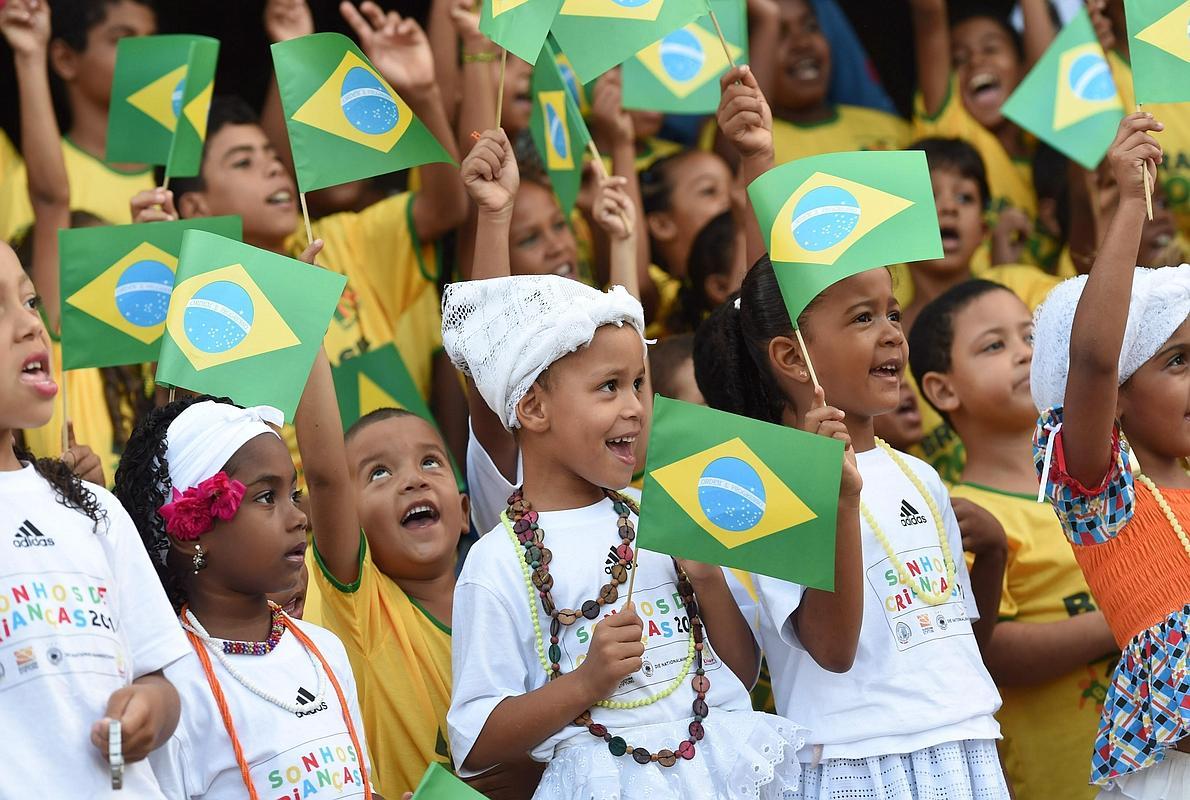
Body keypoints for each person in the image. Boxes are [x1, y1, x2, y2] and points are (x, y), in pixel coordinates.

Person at [694, 257, 1010, 797]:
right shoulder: (769, 488)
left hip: (963, 746)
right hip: (856, 758)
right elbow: (832, 649)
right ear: (793, 357)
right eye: (863, 318)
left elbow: (957, 642)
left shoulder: (923, 478)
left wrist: (996, 556)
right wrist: (838, 500)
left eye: (893, 314)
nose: (891, 334)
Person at [132, 2, 469, 464]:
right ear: (196, 205)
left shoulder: (340, 241)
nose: (273, 166)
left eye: (271, 154)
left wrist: (424, 93)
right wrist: (163, 259)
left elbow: (447, 206)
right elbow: (182, 437)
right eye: (243, 162)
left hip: (422, 503)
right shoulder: (202, 304)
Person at [1032, 112, 1190, 796]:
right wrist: (1130, 202)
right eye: (1178, 361)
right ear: (1117, 399)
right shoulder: (1104, 488)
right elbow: (1093, 361)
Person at [910, 279, 1117, 800]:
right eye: (994, 345)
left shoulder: (1107, 479)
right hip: (1066, 779)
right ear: (942, 390)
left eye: (1031, 335)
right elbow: (991, 651)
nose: (1025, 353)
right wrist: (1127, 620)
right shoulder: (964, 518)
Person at [114, 391, 376, 798]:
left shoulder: (324, 651)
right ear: (192, 532)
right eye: (266, 497)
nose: (298, 518)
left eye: (293, 495)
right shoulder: (171, 686)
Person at [0, 237, 187, 794]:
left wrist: (148, 711)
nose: (31, 325)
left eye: (30, 302)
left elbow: (160, 681)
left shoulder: (93, 509)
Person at [3, 0, 149, 482]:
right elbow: (51, 199)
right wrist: (29, 56)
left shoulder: (135, 375)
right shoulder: (55, 352)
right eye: (30, 299)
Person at [898, 137, 1061, 484]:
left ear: (984, 230)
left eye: (964, 197)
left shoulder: (1021, 286)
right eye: (928, 197)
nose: (948, 208)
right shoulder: (888, 339)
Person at [0, 0, 157, 241]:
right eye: (123, 40)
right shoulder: (30, 181)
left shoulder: (184, 171)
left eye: (153, 41)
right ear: (65, 59)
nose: (147, 56)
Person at [705, 0, 908, 165]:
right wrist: (767, 19)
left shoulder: (889, 128)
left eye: (810, 26)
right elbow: (731, 170)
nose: (802, 43)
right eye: (778, 34)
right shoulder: (737, 131)